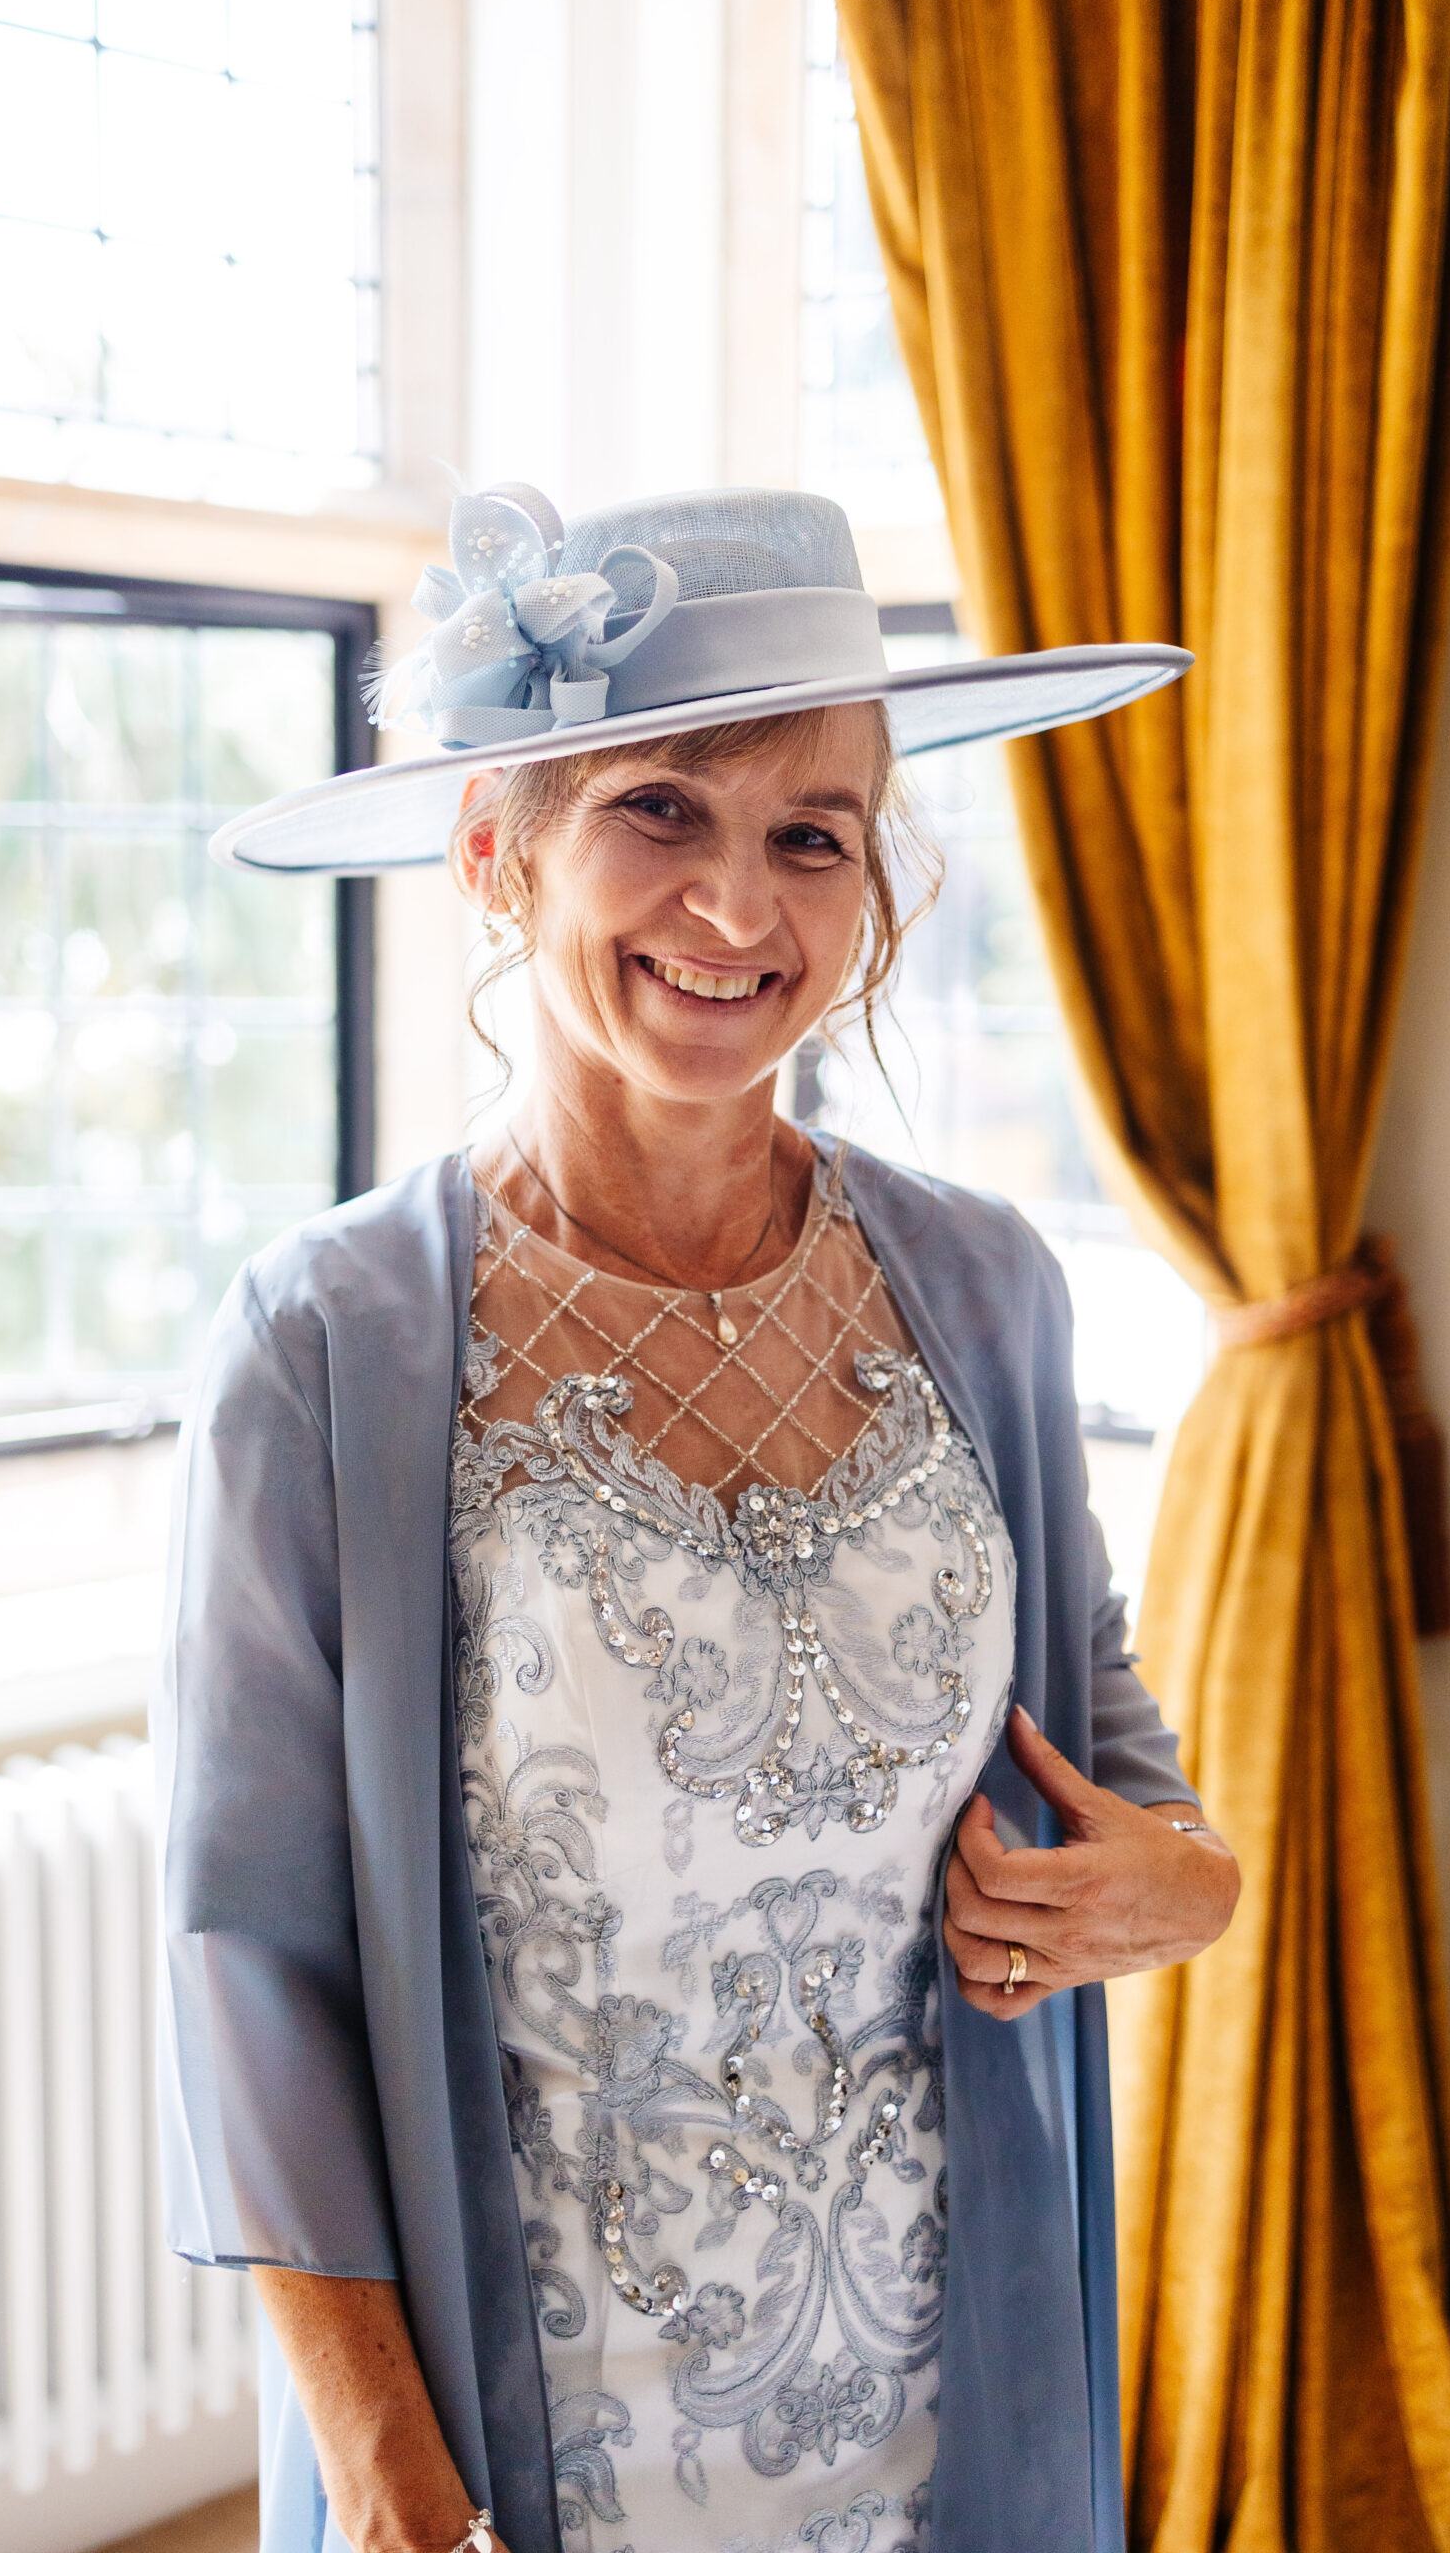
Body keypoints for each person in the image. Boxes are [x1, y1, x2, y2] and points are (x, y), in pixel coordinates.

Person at [155, 484, 1238, 2553]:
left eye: (808, 835)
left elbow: (1119, 1775)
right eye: (661, 808)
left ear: (869, 891)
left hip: (952, 2392)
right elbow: (250, 1960)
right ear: (495, 850)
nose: (737, 909)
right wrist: (390, 2475)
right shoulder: (323, 1341)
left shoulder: (988, 1286)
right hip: (527, 2425)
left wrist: (1180, 1887)